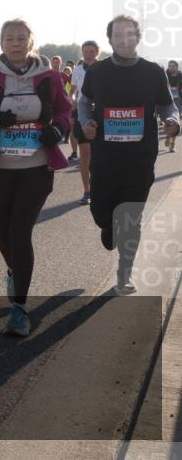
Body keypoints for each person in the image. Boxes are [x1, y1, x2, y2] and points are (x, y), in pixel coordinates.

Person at [0, 19, 71, 336]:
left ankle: (20, 309)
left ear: (31, 41)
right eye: (9, 38)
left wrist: (58, 129)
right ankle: (14, 271)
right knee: (4, 236)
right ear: (1, 43)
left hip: (36, 168)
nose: (15, 43)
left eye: (21, 38)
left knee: (21, 232)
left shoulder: (50, 77)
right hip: (0, 169)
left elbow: (66, 111)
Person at [79, 15, 179, 295]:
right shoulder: (97, 71)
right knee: (102, 213)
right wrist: (86, 123)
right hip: (105, 157)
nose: (124, 40)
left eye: (129, 35)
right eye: (118, 36)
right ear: (109, 39)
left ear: (138, 37)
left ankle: (124, 273)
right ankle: (107, 228)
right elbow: (84, 102)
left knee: (131, 218)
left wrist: (174, 121)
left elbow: (167, 106)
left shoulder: (153, 71)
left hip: (140, 158)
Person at [70, 41, 101, 204]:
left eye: (91, 51)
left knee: (99, 154)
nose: (88, 54)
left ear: (97, 53)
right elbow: (72, 92)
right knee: (85, 152)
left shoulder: (103, 68)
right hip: (82, 113)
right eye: (85, 51)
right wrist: (73, 100)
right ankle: (87, 190)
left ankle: (99, 186)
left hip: (100, 113)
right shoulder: (77, 69)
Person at [166, 60, 180, 153]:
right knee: (169, 123)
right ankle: (168, 136)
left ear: (177, 67)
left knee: (175, 124)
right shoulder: (164, 75)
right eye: (170, 66)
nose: (171, 68)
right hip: (167, 103)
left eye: (173, 66)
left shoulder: (181, 76)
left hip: (179, 102)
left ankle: (172, 145)